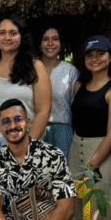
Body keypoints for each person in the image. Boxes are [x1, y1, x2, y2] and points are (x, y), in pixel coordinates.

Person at [0, 16, 51, 195]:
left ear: (22, 37)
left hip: (24, 146)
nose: (7, 37)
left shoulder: (36, 67)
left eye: (13, 33)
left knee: (26, 204)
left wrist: (26, 148)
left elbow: (43, 111)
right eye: (2, 33)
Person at [68, 35, 111, 220]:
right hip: (76, 149)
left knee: (100, 216)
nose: (95, 59)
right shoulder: (79, 86)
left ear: (110, 57)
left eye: (100, 54)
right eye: (89, 55)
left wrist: (92, 166)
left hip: (102, 153)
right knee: (76, 209)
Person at [38, 26, 79, 157]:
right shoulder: (30, 70)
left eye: (55, 39)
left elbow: (76, 106)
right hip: (36, 129)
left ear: (61, 44)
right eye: (45, 39)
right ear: (39, 43)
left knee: (63, 174)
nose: (50, 43)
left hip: (63, 131)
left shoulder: (70, 71)